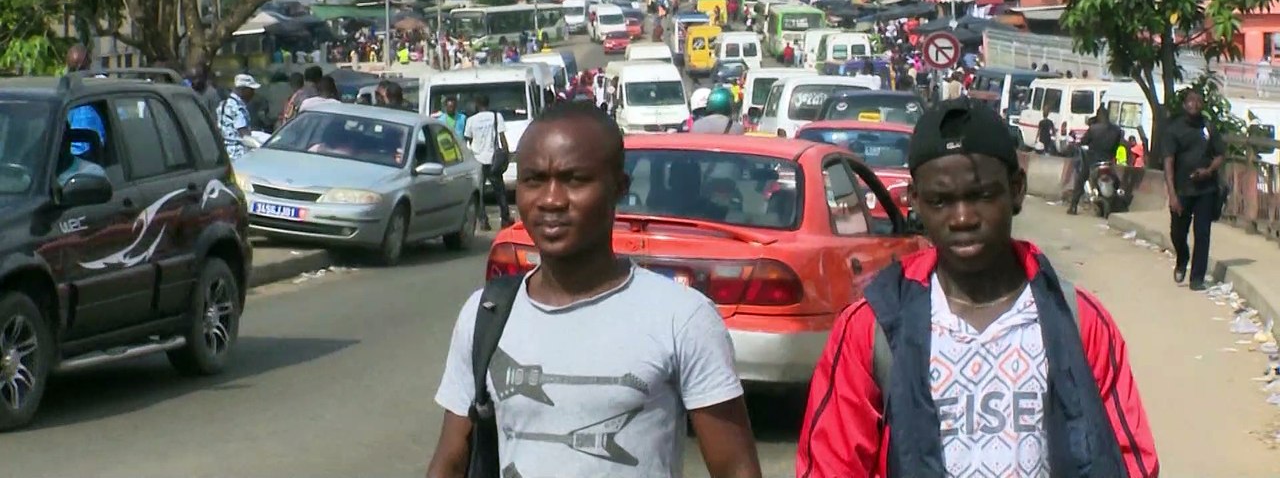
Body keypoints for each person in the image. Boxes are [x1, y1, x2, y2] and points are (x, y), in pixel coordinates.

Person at [797, 98, 1158, 478]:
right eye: (941, 201)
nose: (963, 218)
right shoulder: (873, 328)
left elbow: (1129, 461)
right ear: (916, 201)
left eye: (982, 195)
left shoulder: (1078, 321)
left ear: (1016, 190)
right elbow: (830, 464)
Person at [426, 102, 762, 478]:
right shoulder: (485, 314)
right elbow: (451, 461)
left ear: (619, 188)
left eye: (574, 180)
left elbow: (736, 468)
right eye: (534, 179)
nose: (551, 200)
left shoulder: (682, 318)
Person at [1163, 89, 1226, 290]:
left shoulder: (1208, 127)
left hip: (1205, 190)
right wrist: (1172, 194)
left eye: (1199, 101)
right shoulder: (1174, 130)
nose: (1195, 104)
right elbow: (1168, 162)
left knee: (1203, 233)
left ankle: (1197, 278)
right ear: (1185, 105)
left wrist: (1208, 171)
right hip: (1181, 190)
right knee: (1177, 232)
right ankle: (1182, 258)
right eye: (1191, 101)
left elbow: (1220, 155)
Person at [464, 95, 513, 230]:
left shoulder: (471, 120)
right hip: (493, 159)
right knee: (500, 191)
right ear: (487, 103)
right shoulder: (497, 117)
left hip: (478, 160)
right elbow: (502, 138)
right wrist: (506, 155)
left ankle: (483, 220)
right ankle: (505, 219)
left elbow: (467, 139)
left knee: (479, 192)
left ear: (477, 104)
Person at [1068, 107, 1124, 215]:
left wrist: (1077, 145)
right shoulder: (1116, 130)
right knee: (1116, 181)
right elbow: (1116, 145)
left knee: (1081, 179)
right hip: (1108, 161)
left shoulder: (1093, 129)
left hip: (1093, 160)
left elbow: (1083, 141)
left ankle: (1073, 206)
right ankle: (1119, 202)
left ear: (1099, 116)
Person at [217, 74, 260, 160]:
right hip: (238, 154)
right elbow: (244, 134)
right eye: (251, 90)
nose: (253, 93)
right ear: (243, 90)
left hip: (225, 151)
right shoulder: (238, 108)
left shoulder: (224, 104)